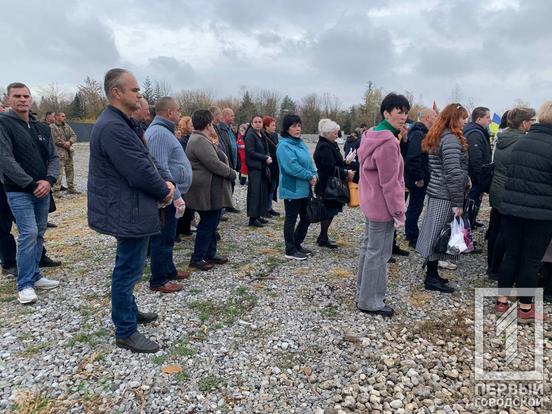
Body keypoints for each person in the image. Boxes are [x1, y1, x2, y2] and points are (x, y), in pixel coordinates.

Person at [88, 68, 175, 353]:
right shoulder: (113, 127)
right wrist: (164, 191)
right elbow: (138, 171)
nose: (140, 94)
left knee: (131, 266)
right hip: (128, 209)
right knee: (127, 269)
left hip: (132, 207)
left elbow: (147, 159)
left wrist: (166, 182)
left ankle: (130, 312)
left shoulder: (124, 122)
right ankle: (125, 330)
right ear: (116, 93)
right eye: (135, 90)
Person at [0, 82, 60, 304]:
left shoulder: (42, 127)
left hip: (43, 190)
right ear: (8, 99)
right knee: (29, 233)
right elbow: (5, 159)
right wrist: (30, 184)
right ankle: (24, 284)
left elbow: (54, 157)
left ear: (31, 99)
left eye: (26, 96)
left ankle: (35, 275)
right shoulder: (3, 124)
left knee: (40, 232)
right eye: (17, 96)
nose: (22, 99)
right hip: (19, 191)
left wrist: (49, 180)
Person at [495, 101, 552, 322]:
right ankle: (526, 310)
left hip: (511, 209)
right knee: (531, 260)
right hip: (540, 213)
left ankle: (502, 302)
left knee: (512, 254)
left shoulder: (521, 141)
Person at [356, 93, 409, 317]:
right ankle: (370, 301)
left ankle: (365, 291)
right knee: (379, 253)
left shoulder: (371, 135)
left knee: (369, 249)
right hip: (383, 206)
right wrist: (399, 212)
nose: (404, 116)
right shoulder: (388, 142)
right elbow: (390, 183)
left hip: (370, 202)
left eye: (406, 112)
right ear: (386, 113)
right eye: (399, 111)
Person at [416, 103, 470, 294]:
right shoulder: (451, 140)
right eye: (464, 118)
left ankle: (433, 274)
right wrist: (457, 203)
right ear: (454, 118)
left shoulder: (442, 136)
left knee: (436, 234)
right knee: (437, 236)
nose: (466, 122)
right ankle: (431, 277)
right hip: (445, 196)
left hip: (439, 193)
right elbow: (453, 173)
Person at [144, 97, 193, 293]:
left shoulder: (165, 131)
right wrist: (176, 194)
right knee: (162, 238)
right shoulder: (159, 133)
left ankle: (169, 269)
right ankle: (158, 279)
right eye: (178, 110)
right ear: (170, 112)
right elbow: (159, 167)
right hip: (168, 196)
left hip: (173, 194)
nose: (180, 114)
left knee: (169, 236)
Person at [487, 107, 536, 279]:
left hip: (497, 187)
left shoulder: (503, 136)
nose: (533, 124)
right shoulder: (520, 142)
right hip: (508, 190)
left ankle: (491, 266)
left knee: (495, 228)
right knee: (504, 233)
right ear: (524, 123)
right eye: (532, 120)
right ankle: (497, 268)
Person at [185, 109, 236, 270]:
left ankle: (210, 253)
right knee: (208, 223)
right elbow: (213, 163)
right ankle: (198, 257)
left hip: (208, 189)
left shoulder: (201, 138)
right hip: (206, 190)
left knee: (212, 222)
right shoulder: (199, 140)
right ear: (209, 124)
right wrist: (231, 173)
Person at [276, 114, 317, 260]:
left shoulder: (300, 143)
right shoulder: (284, 145)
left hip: (304, 188)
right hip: (292, 188)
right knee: (291, 218)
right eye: (294, 126)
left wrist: (315, 175)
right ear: (287, 128)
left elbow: (309, 162)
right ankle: (290, 249)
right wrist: (309, 176)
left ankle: (296, 243)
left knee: (306, 218)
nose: (298, 128)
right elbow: (291, 167)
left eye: (299, 125)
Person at [313, 118, 354, 248]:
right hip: (328, 184)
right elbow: (329, 167)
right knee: (328, 211)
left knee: (330, 210)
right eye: (335, 133)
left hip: (329, 182)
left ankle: (322, 236)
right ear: (327, 133)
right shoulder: (325, 146)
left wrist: (346, 162)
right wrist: (346, 173)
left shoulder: (329, 144)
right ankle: (323, 238)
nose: (337, 135)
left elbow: (335, 163)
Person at [404, 108, 437, 248]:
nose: (436, 118)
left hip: (420, 176)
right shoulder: (418, 134)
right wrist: (419, 177)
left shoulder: (422, 133)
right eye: (435, 116)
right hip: (417, 178)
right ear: (427, 117)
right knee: (414, 207)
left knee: (415, 207)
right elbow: (413, 158)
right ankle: (412, 236)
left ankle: (411, 232)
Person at [464, 106, 492, 228]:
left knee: (474, 204)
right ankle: (466, 230)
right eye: (487, 117)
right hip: (475, 178)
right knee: (471, 203)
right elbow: (475, 160)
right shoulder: (475, 133)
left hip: (476, 177)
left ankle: (471, 222)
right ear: (479, 119)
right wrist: (480, 180)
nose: (490, 120)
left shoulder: (478, 131)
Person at [244, 115, 271, 227]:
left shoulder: (261, 134)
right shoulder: (250, 135)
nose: (258, 123)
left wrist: (268, 156)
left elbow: (266, 148)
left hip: (262, 167)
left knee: (261, 192)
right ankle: (252, 218)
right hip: (254, 168)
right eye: (255, 122)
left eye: (260, 121)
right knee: (254, 193)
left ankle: (258, 215)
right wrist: (265, 158)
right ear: (251, 123)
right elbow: (251, 152)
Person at [175, 115, 195, 238]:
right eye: (190, 125)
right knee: (181, 203)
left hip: (188, 173)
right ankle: (177, 231)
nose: (192, 127)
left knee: (188, 204)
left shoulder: (189, 138)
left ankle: (185, 228)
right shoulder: (182, 140)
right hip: (182, 174)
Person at [50, 112, 79, 194]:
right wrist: (66, 144)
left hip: (68, 153)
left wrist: (70, 142)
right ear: (57, 117)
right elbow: (56, 140)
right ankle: (56, 190)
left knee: (70, 170)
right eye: (63, 116)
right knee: (59, 172)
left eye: (64, 116)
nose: (64, 118)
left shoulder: (66, 126)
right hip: (59, 153)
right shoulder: (52, 127)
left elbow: (74, 135)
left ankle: (71, 188)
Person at [263, 116, 280, 217]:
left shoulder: (274, 136)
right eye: (272, 125)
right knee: (268, 188)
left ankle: (269, 207)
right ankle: (265, 208)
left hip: (276, 166)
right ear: (266, 126)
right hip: (269, 165)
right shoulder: (264, 137)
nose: (274, 127)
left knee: (273, 187)